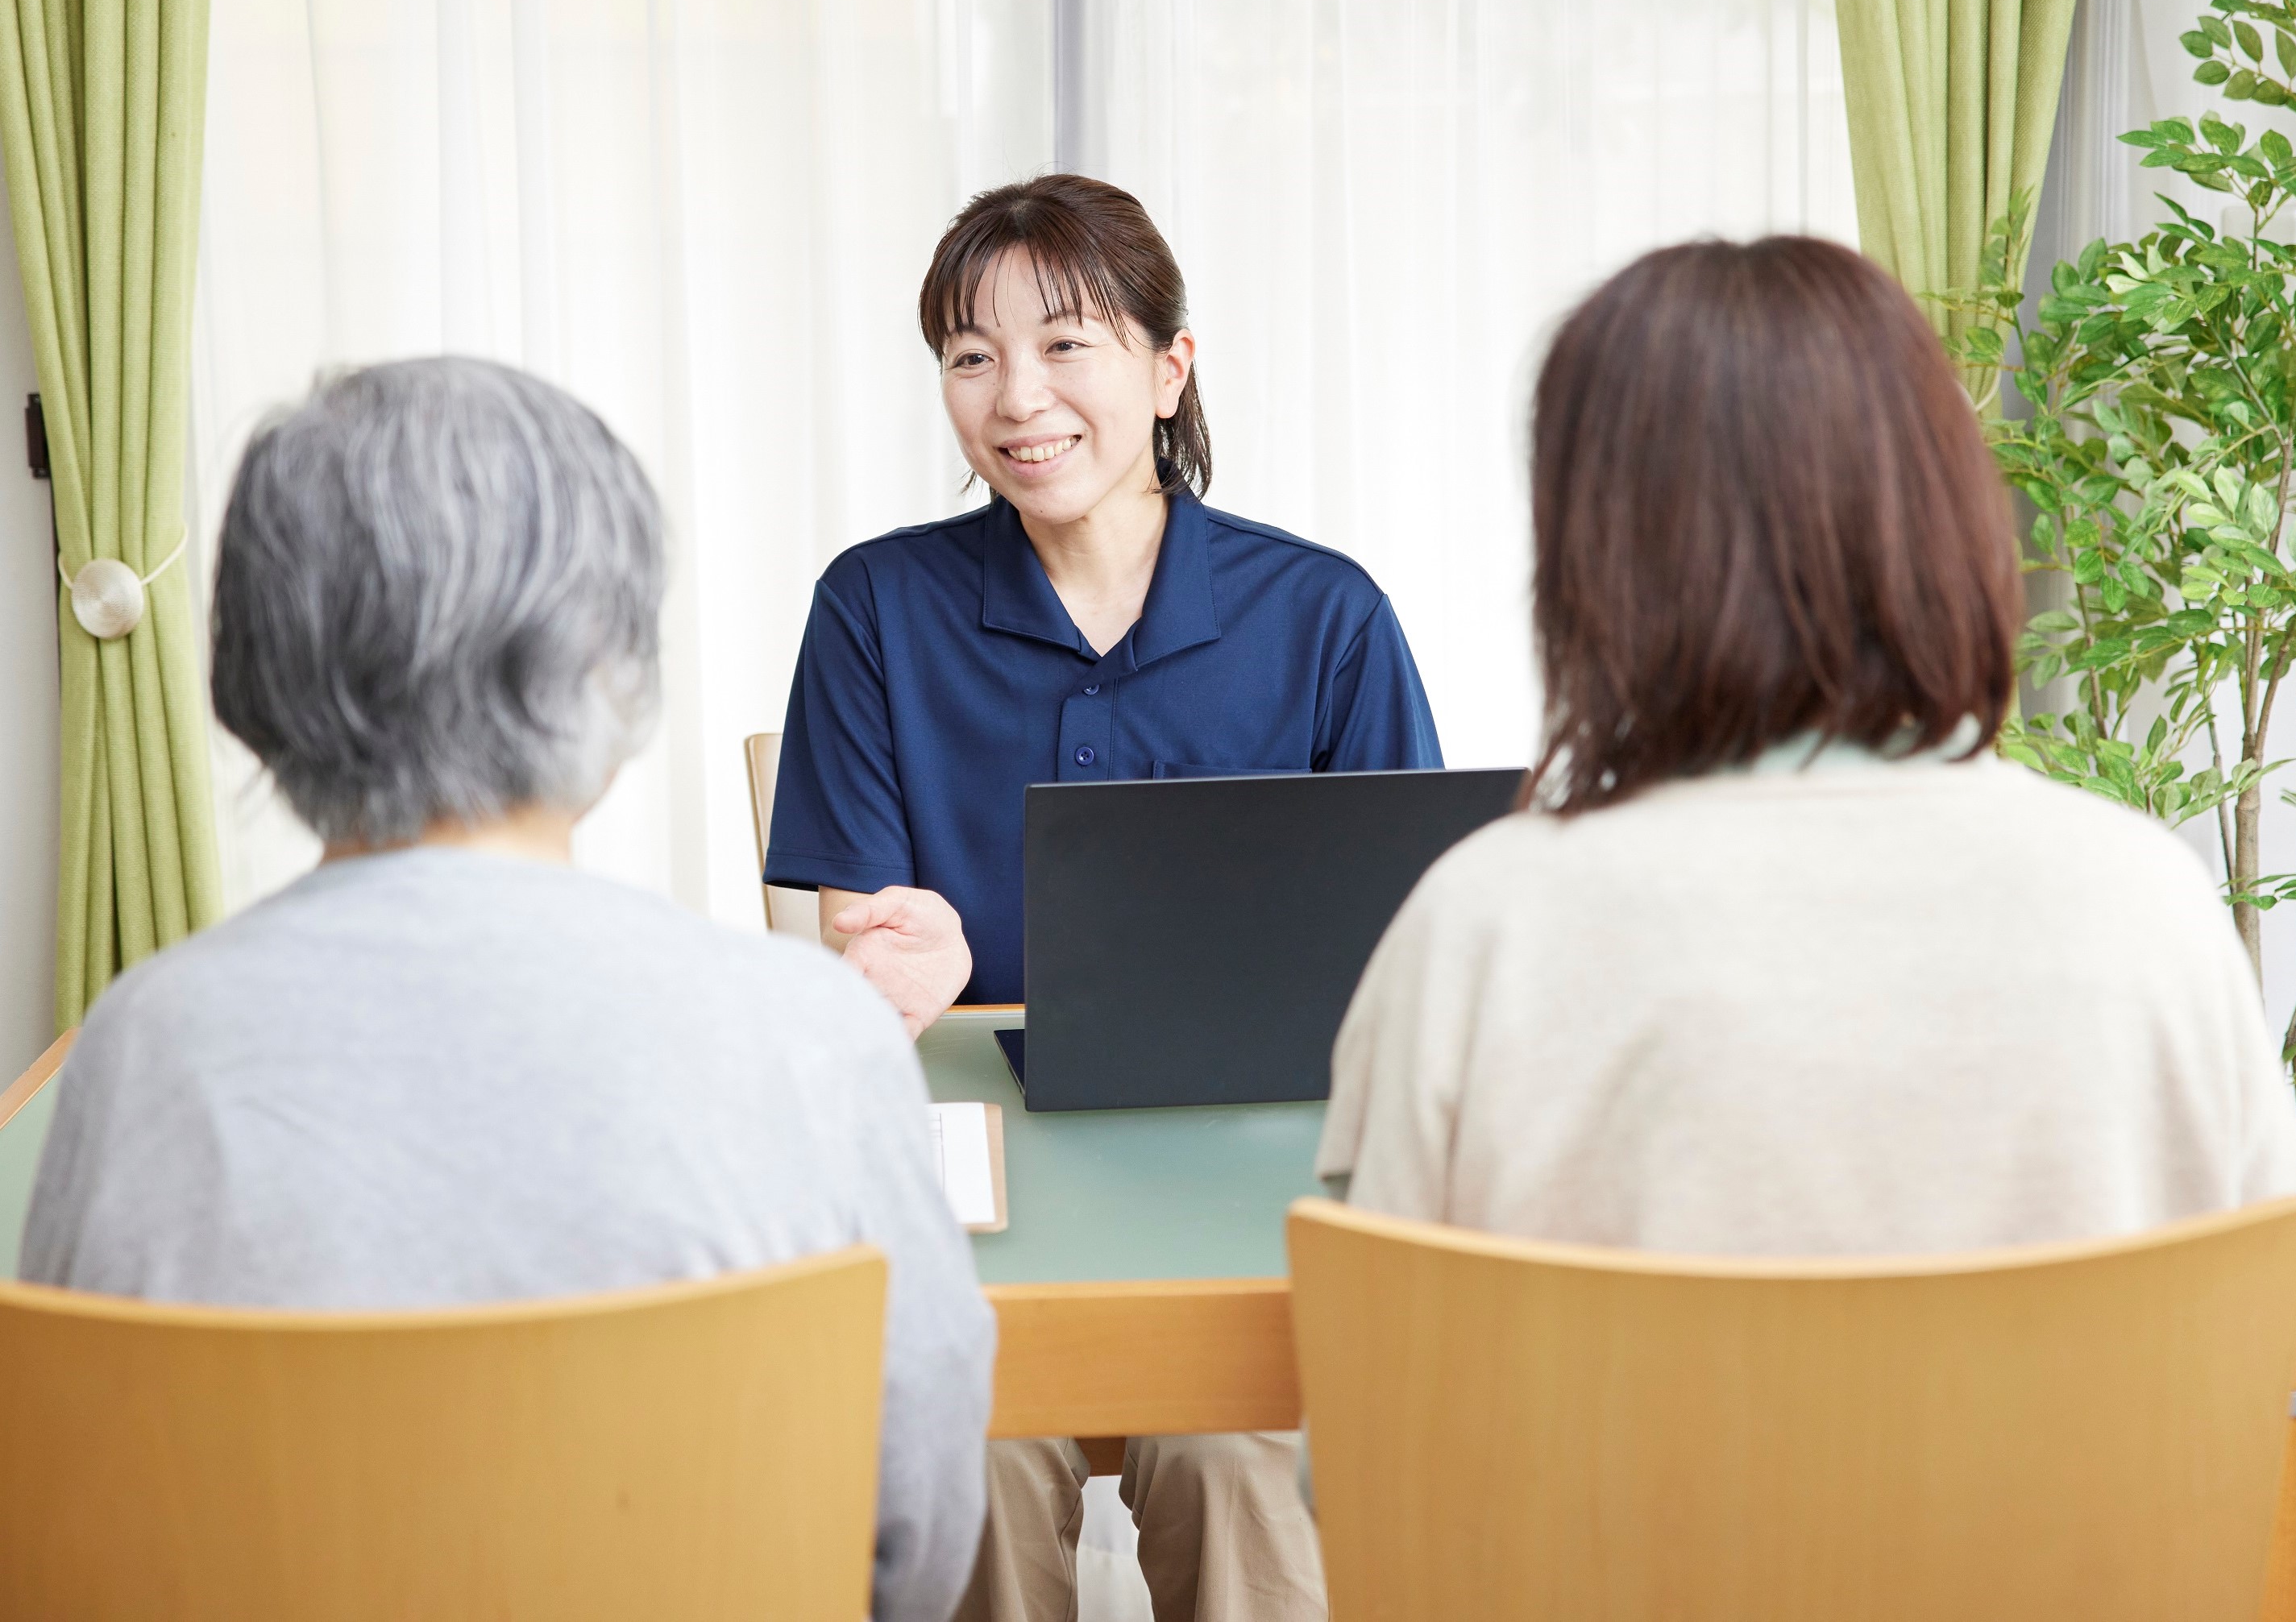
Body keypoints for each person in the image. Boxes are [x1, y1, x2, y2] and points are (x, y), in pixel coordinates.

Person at [21, 358, 995, 1622]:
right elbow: (919, 1537)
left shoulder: (142, 1043)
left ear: (253, 676)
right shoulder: (815, 1034)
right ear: (615, 671)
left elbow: (71, 1506)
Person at [1320, 235, 2296, 1251]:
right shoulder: (2146, 906)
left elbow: (1377, 1328)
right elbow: (2260, 1299)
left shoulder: (1486, 929)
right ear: (1944, 517)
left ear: (1592, 558)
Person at [767, 176, 1441, 1622]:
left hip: (1246, 1206)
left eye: (1067, 344)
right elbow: (862, 950)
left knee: (1244, 1460)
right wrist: (896, 962)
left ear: (1168, 368)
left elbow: (1406, 960)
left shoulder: (1326, 617)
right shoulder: (873, 608)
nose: (1019, 398)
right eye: (971, 355)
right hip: (975, 1215)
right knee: (963, 1458)